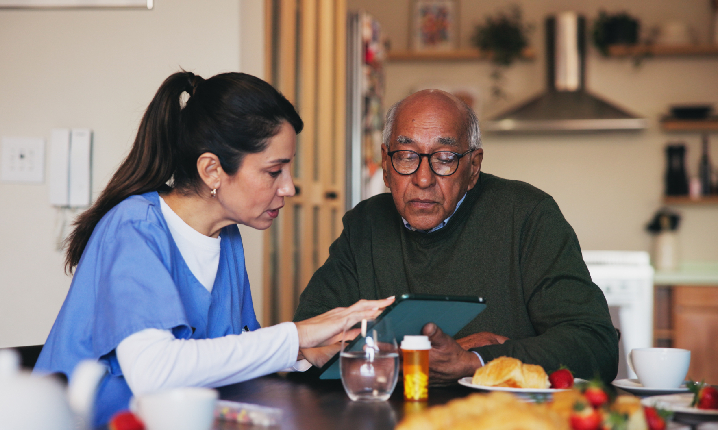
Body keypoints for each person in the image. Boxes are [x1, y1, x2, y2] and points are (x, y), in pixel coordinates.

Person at [34, 71, 393, 426]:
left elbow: (225, 350)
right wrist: (297, 335)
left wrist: (304, 352)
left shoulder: (226, 238)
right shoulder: (135, 227)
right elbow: (153, 371)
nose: (289, 188)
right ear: (212, 170)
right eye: (274, 172)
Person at [293, 89, 619, 385]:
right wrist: (418, 357)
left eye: (444, 158)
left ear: (473, 167)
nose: (423, 178)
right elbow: (308, 343)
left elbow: (595, 346)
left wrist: (475, 361)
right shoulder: (365, 224)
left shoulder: (528, 215)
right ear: (386, 164)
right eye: (406, 155)